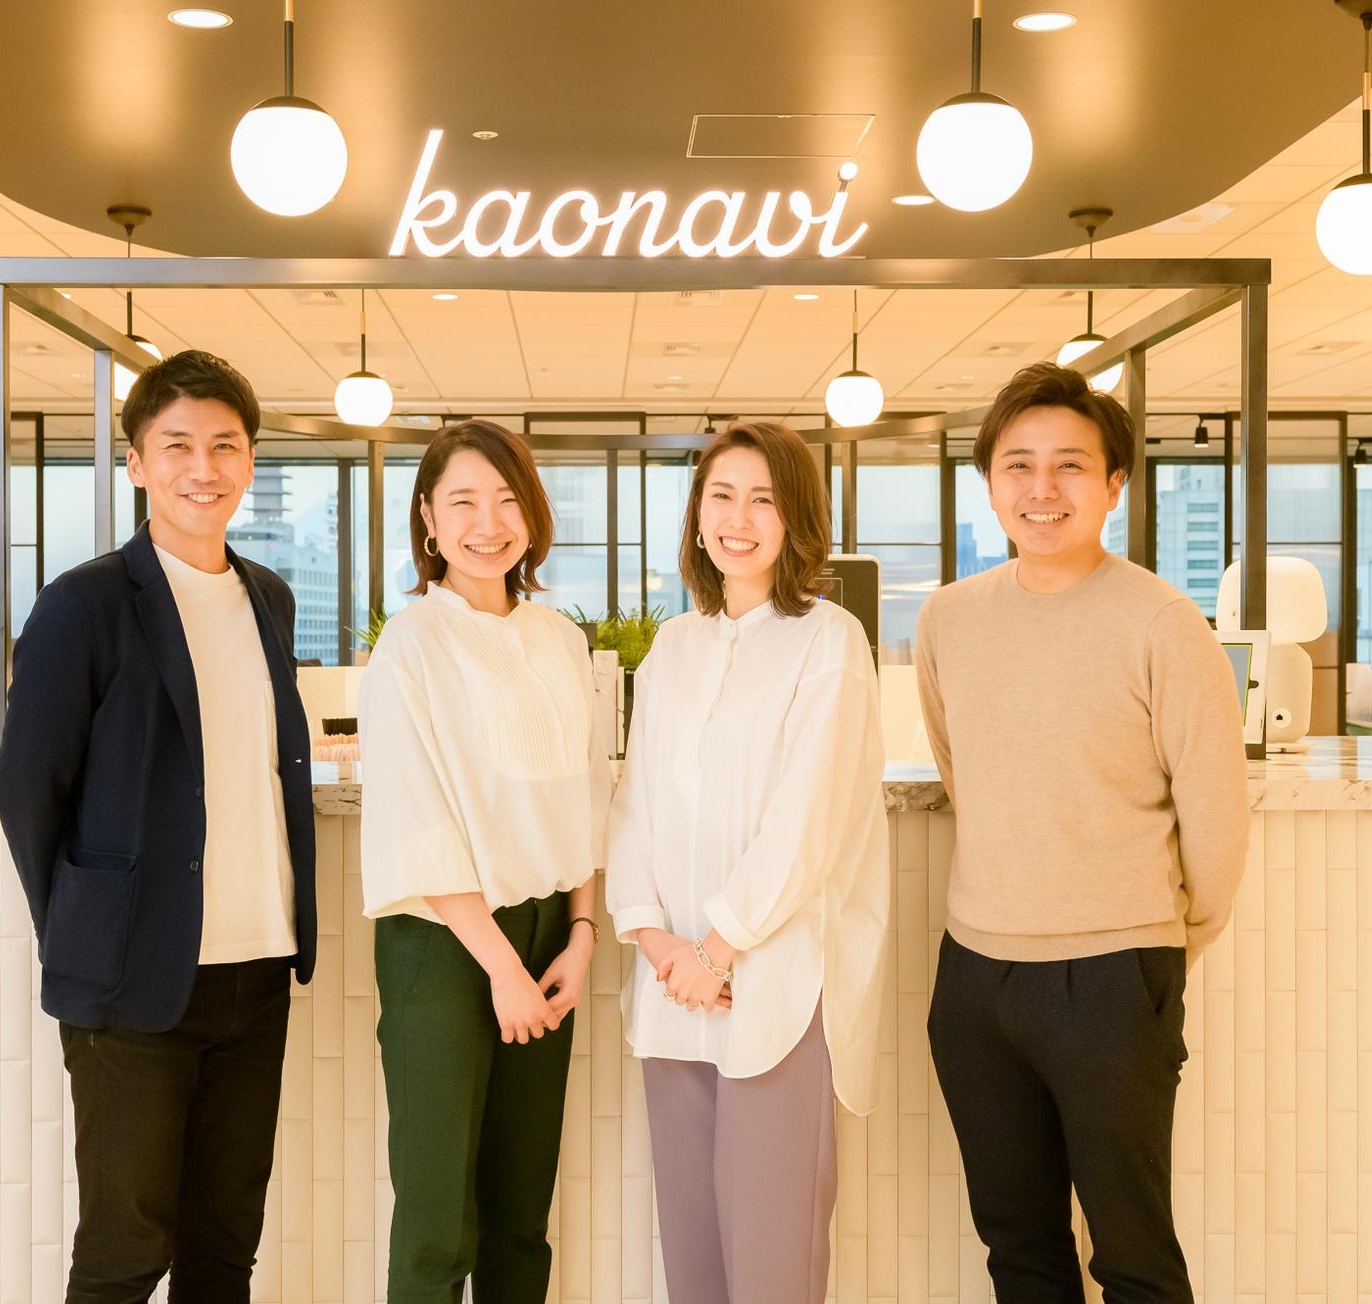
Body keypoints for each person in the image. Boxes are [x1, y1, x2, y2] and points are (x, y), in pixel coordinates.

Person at [914, 362, 1250, 1303]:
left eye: (1070, 465)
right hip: (975, 976)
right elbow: (962, 772)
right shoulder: (948, 619)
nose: (1042, 488)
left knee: (1134, 1255)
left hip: (1114, 973)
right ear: (990, 484)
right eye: (1018, 465)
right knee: (1018, 1247)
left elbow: (1216, 816)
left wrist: (1161, 947)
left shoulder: (1162, 622)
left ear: (1113, 484)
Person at [0, 349, 317, 1303]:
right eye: (176, 445)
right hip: (130, 980)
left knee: (224, 1250)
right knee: (125, 1253)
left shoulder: (269, 597)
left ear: (250, 461)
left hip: (257, 970)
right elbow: (28, 788)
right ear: (136, 462)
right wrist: (87, 929)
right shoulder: (84, 603)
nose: (202, 468)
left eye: (224, 445)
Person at [607, 421, 890, 1304]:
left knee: (773, 1260)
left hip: (775, 985)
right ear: (697, 516)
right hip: (673, 989)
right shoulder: (673, 647)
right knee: (693, 1257)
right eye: (722, 496)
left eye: (764, 499)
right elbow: (635, 803)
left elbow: (807, 818)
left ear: (796, 518)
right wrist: (658, 943)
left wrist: (717, 949)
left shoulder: (830, 641)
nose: (739, 518)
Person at [358, 419, 610, 1304]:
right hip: (444, 946)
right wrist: (502, 967)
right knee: (437, 1225)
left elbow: (586, 794)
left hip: (549, 940)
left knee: (519, 1214)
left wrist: (582, 934)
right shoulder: (411, 644)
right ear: (429, 520)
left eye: (507, 500)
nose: (488, 523)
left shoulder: (561, 641)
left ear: (532, 515)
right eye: (462, 501)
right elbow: (418, 819)